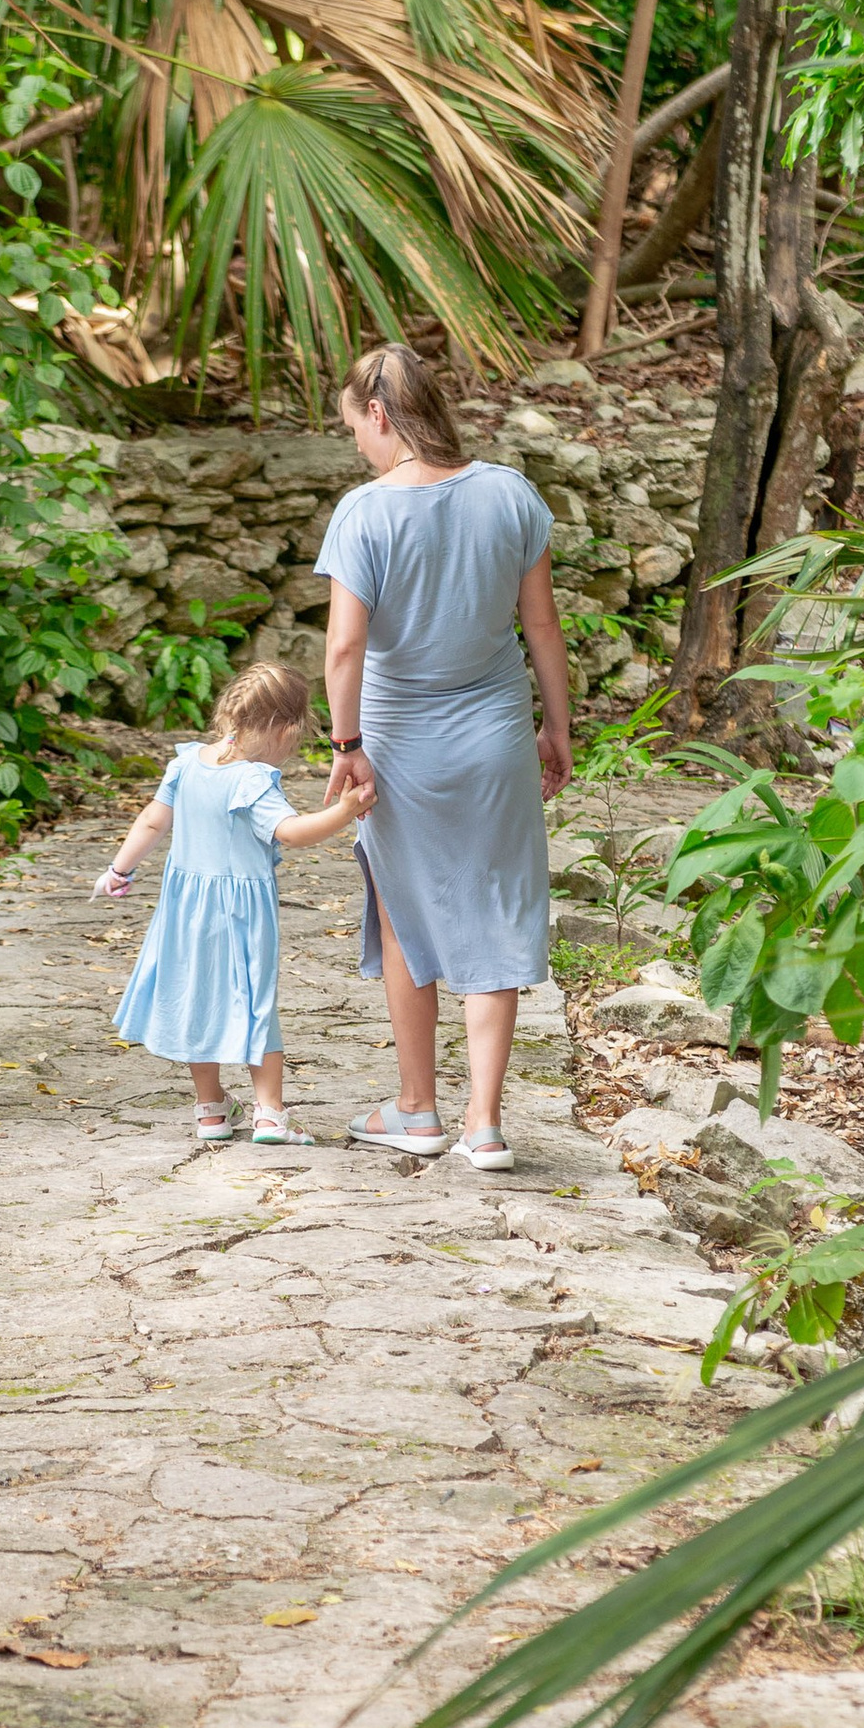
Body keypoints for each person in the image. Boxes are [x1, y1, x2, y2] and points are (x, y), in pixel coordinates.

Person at [318, 342, 573, 1172]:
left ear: (381, 415)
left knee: (406, 913)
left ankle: (417, 1109)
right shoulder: (512, 494)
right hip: (497, 731)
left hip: (399, 742)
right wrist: (558, 726)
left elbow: (346, 649)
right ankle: (485, 1125)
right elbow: (540, 625)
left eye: (354, 424)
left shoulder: (365, 512)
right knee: (497, 905)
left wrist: (348, 746)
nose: (355, 441)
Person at [95, 661, 370, 1145]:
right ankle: (269, 1114)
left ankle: (211, 1110)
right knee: (254, 1003)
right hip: (241, 914)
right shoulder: (253, 781)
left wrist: (119, 870)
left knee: (197, 998)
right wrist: (342, 812)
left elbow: (152, 823)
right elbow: (292, 832)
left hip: (185, 910)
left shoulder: (186, 765)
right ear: (285, 728)